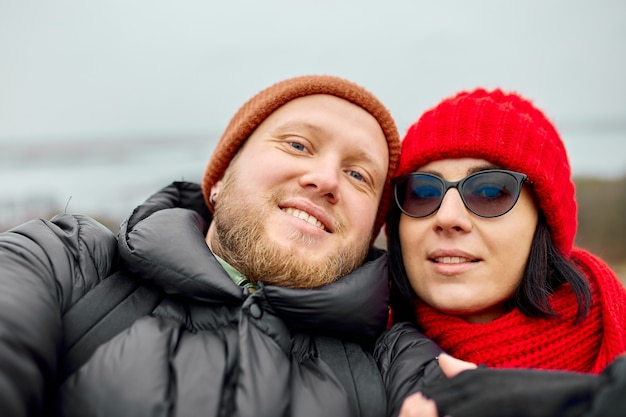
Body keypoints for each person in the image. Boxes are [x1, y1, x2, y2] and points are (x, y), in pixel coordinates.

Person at [0, 75, 401, 417]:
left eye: (358, 174)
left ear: (370, 235)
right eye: (297, 145)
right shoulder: (70, 262)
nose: (327, 179)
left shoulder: (389, 362)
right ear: (221, 178)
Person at [374, 88, 626, 417]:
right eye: (422, 191)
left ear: (543, 221)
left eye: (490, 190)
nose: (448, 217)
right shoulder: (346, 367)